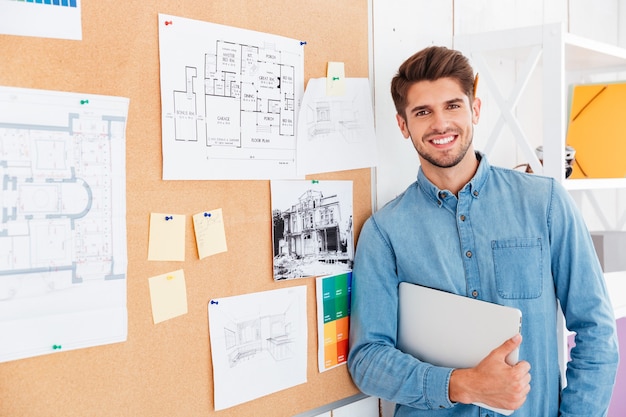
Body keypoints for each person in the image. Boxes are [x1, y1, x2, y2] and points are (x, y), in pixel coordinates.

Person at [347, 45, 619, 416]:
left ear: (475, 108)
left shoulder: (546, 202)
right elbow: (367, 360)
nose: (440, 124)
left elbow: (596, 330)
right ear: (403, 124)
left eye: (453, 106)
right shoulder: (384, 232)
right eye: (422, 112)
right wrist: (461, 384)